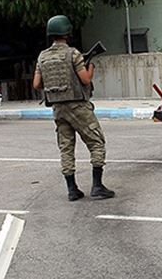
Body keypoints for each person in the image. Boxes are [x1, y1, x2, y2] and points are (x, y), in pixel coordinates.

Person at [33, 15, 115, 201]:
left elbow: (37, 84)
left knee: (66, 147)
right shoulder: (73, 54)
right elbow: (85, 79)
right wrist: (91, 65)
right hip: (78, 106)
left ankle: (72, 189)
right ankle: (97, 186)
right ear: (67, 33)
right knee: (96, 142)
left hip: (58, 109)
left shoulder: (42, 56)